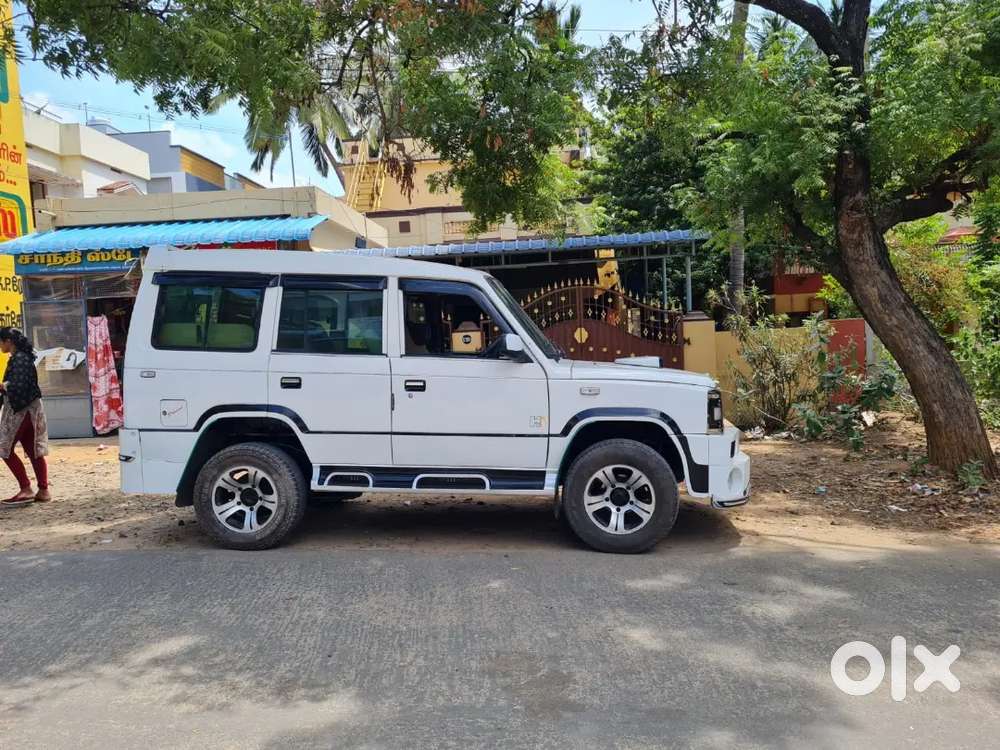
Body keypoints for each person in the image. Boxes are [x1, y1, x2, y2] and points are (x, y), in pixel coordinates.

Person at [0, 327, 49, 507]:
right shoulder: (23, 357)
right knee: (32, 449)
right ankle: (43, 490)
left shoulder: (19, 359)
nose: (0, 346)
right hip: (31, 409)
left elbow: (16, 386)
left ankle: (26, 488)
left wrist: (3, 386)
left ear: (8, 341)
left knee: (4, 448)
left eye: (1, 342)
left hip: (21, 410)